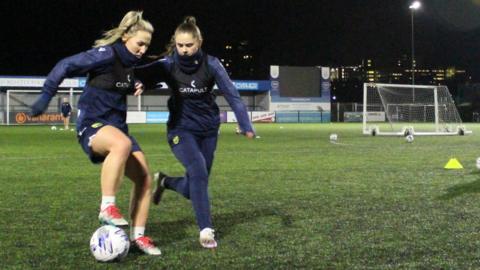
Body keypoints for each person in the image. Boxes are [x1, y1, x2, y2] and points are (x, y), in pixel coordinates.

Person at [31, 11, 161, 255]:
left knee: (144, 178)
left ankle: (138, 238)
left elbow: (121, 80)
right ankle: (107, 207)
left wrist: (138, 83)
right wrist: (45, 96)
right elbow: (65, 65)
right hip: (92, 124)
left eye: (147, 45)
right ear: (125, 38)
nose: (143, 49)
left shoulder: (130, 64)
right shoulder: (105, 55)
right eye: (140, 43)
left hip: (117, 129)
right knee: (121, 144)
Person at [137, 16, 255, 249]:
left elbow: (232, 95)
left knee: (194, 188)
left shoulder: (211, 64)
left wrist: (246, 124)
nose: (183, 50)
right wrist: (136, 81)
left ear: (199, 42)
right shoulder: (169, 64)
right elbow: (139, 72)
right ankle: (206, 229)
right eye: (180, 45)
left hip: (209, 130)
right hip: (180, 129)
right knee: (198, 171)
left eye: (188, 45)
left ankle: (165, 181)